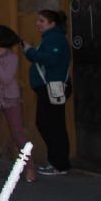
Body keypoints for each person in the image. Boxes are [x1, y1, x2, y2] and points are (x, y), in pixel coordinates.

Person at [0, 25, 36, 182]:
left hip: (11, 99)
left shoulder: (13, 58)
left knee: (18, 133)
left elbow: (6, 78)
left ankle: (30, 167)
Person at [22, 9, 72, 176]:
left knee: (51, 125)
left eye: (42, 21)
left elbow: (50, 59)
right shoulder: (50, 39)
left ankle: (59, 163)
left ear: (52, 24)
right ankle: (57, 161)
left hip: (52, 87)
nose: (38, 24)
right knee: (49, 124)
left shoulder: (55, 39)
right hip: (48, 88)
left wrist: (30, 52)